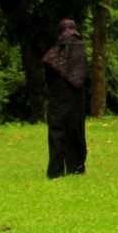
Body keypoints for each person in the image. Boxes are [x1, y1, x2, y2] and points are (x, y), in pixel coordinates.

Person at [43, 18, 88, 178]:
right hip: (77, 96)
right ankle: (76, 166)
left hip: (58, 96)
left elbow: (48, 78)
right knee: (76, 130)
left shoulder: (53, 55)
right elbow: (84, 75)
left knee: (57, 130)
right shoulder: (80, 50)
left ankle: (56, 170)